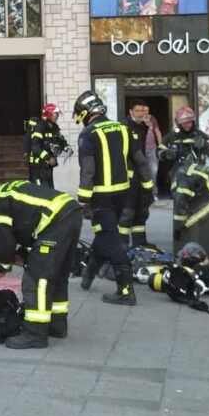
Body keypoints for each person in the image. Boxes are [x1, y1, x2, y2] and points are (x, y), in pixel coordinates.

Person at [0, 178, 83, 348]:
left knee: (36, 279)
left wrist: (1, 267)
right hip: (70, 212)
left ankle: (35, 333)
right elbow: (25, 223)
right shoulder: (4, 192)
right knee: (57, 276)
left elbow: (4, 243)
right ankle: (57, 325)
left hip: (54, 221)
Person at [73, 90, 151, 306]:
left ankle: (125, 290)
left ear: (86, 113)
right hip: (122, 195)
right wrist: (148, 186)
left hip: (102, 197)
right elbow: (140, 160)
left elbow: (88, 170)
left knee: (112, 240)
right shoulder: (123, 128)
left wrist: (83, 199)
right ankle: (89, 274)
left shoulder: (88, 134)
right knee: (105, 234)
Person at [123, 102, 161, 248]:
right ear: (131, 111)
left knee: (141, 210)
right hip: (129, 176)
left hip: (141, 174)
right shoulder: (124, 126)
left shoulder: (143, 126)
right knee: (127, 212)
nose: (140, 113)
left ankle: (140, 243)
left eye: (143, 110)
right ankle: (123, 245)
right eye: (137, 110)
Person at [24, 103, 69, 187]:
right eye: (55, 114)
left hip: (47, 167)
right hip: (37, 167)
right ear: (49, 114)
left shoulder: (54, 128)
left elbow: (60, 140)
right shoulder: (40, 127)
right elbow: (35, 147)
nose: (57, 116)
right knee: (40, 193)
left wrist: (66, 147)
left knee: (50, 190)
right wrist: (48, 158)